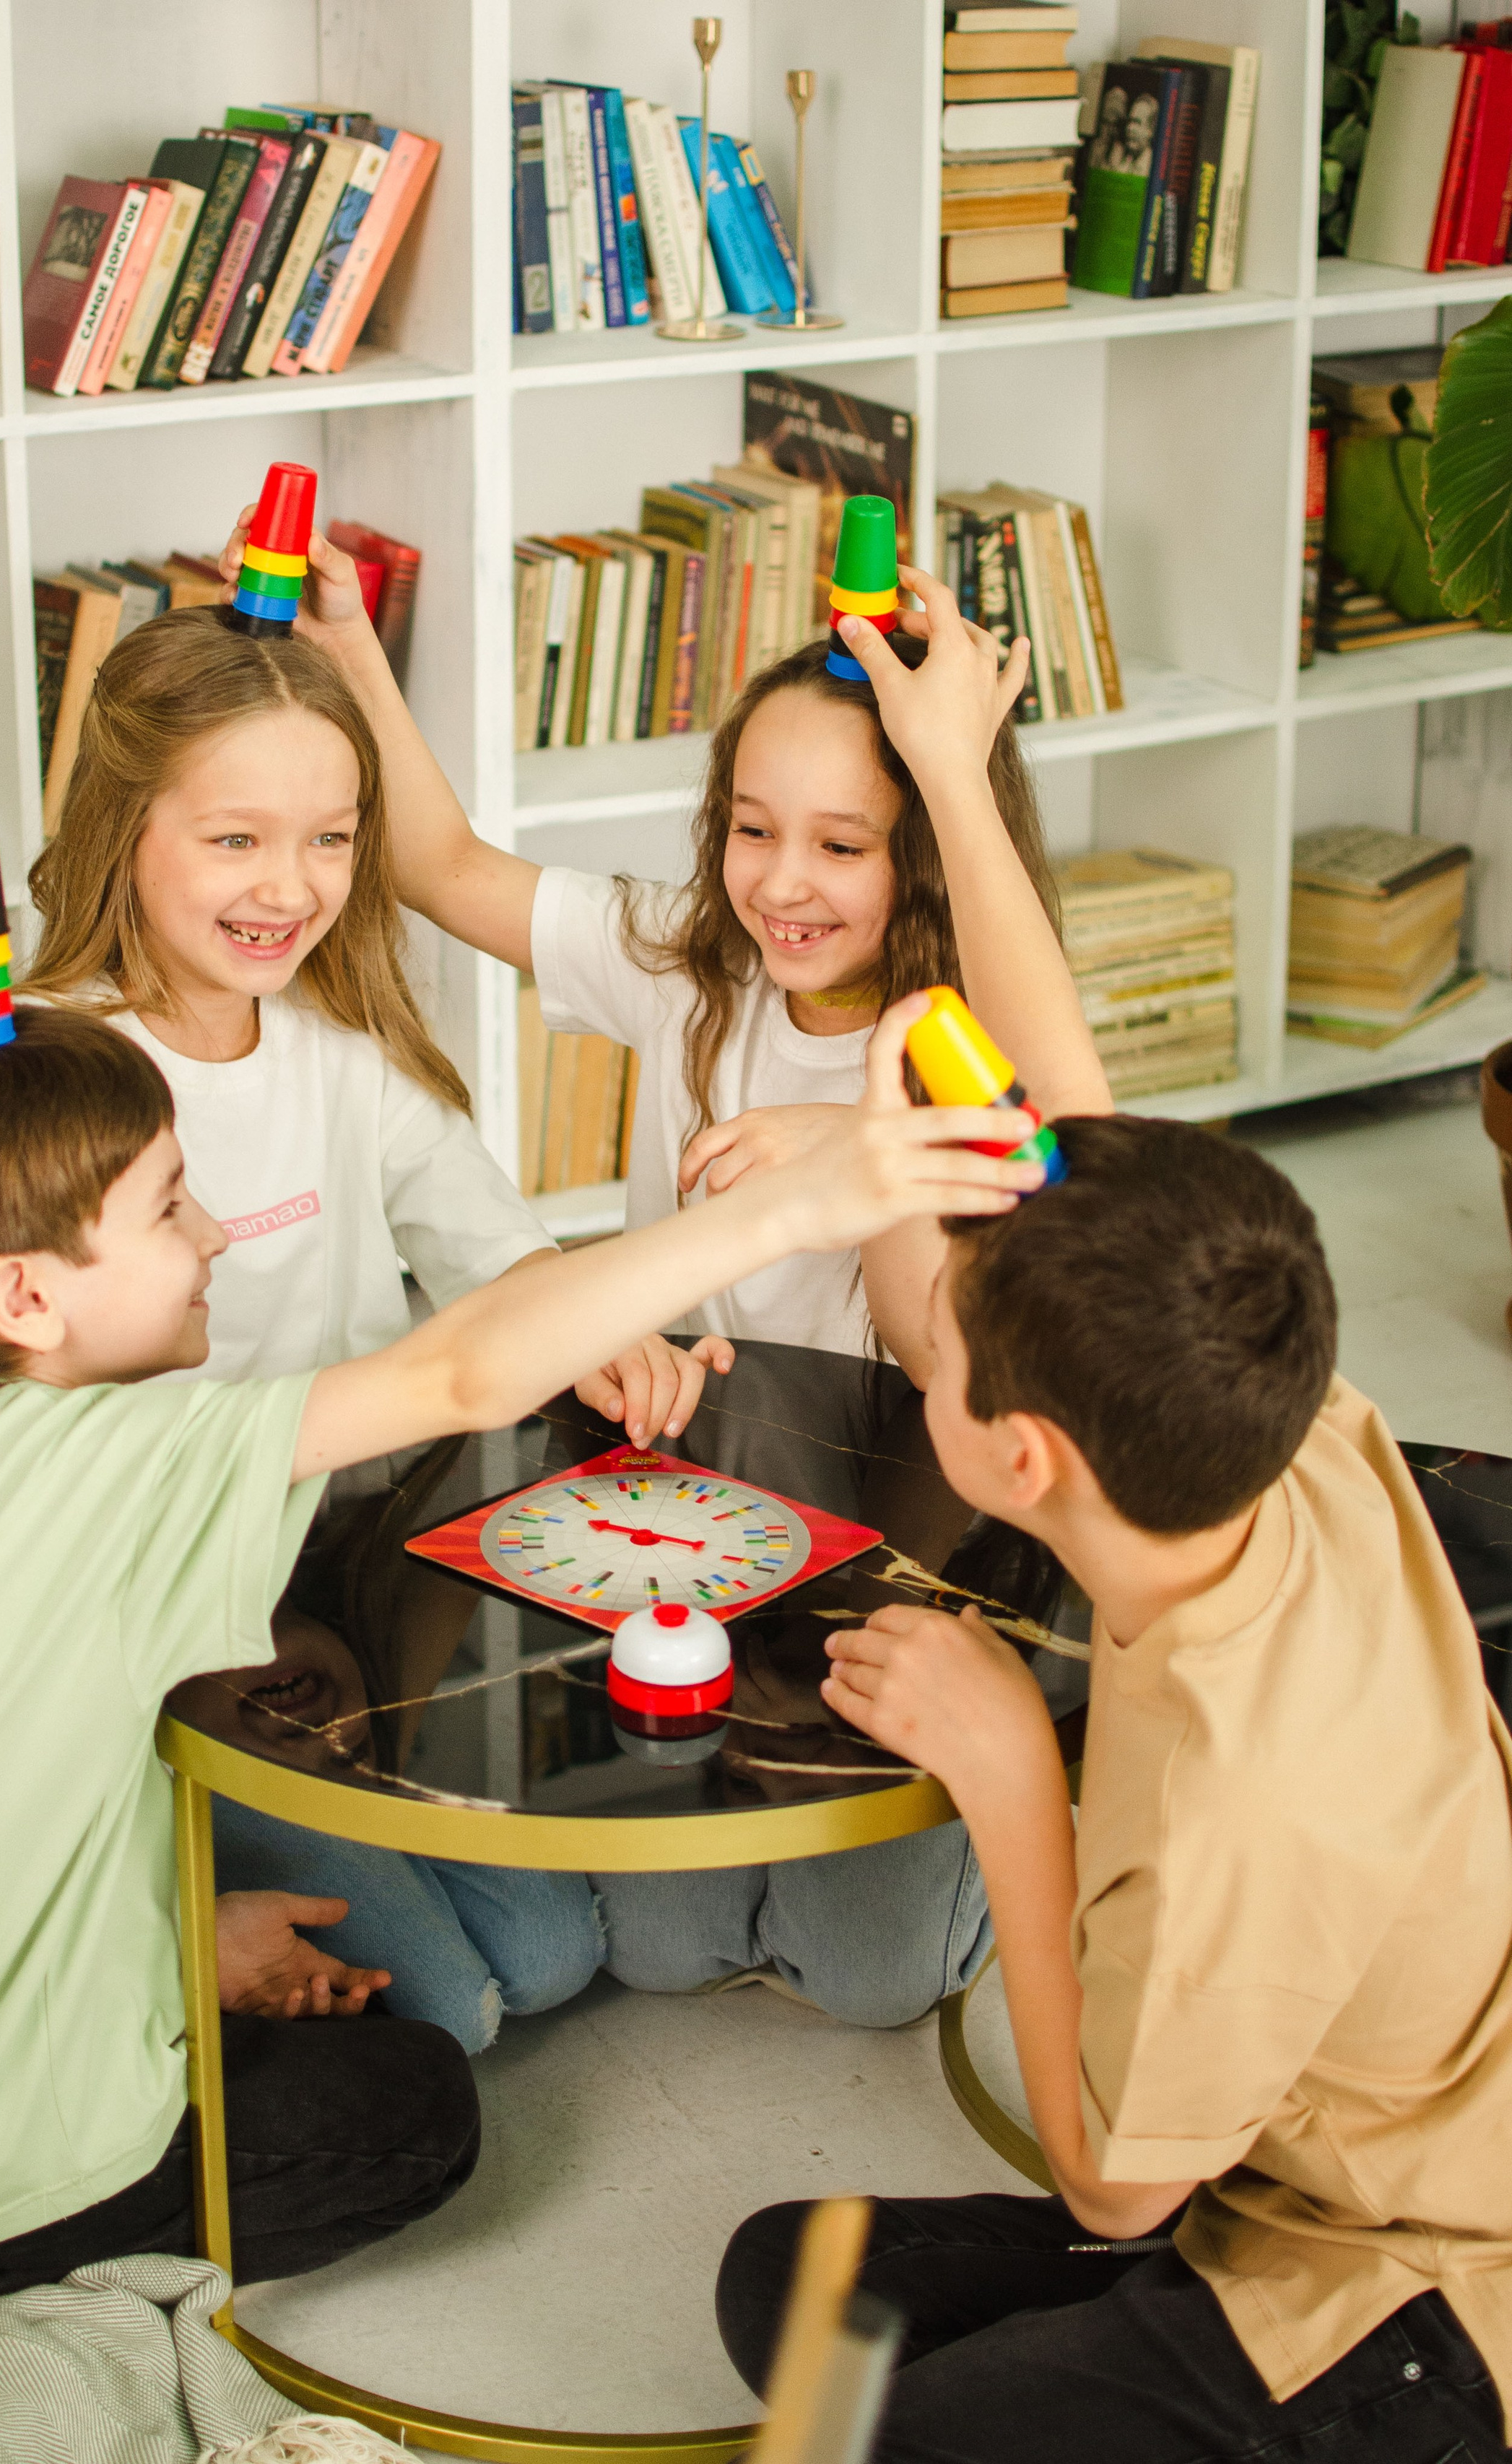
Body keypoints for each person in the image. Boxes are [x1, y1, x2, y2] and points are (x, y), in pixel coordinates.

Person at [0, 996, 1042, 2375]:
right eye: (168, 1209)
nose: (216, 1231)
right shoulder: (127, 1461)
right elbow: (459, 1368)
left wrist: (185, 1944)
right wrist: (805, 1203)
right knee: (412, 2111)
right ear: (25, 1295)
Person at [0, 613, 725, 2057]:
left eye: (331, 840)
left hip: (326, 1590)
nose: (290, 887)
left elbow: (494, 1255)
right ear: (124, 831)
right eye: (235, 842)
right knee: (448, 2012)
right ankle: (143, 1897)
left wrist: (602, 1333)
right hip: (139, 1626)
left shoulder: (350, 1062)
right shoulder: (41, 1071)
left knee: (551, 1947)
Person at [209, 514, 1110, 2029]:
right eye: (752, 828)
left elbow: (1062, 1144)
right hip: (683, 1524)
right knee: (665, 1945)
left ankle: (1055, 1802)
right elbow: (434, 867)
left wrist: (844, 1137)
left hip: (893, 1539)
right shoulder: (684, 960)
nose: (783, 885)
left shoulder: (961, 1036)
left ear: (928, 854)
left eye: (840, 845)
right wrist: (351, 644)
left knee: (869, 1977)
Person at [718, 1115, 1512, 2463]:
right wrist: (891, 1097)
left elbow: (1117, 2183)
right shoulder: (1280, 1420)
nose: (920, 1345)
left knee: (860, 2442)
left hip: (1430, 2302)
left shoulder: (1247, 1803)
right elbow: (1111, 1166)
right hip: (1292, 2187)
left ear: (1022, 1458)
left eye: (940, 1349)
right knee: (796, 2290)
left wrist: (1011, 1773)